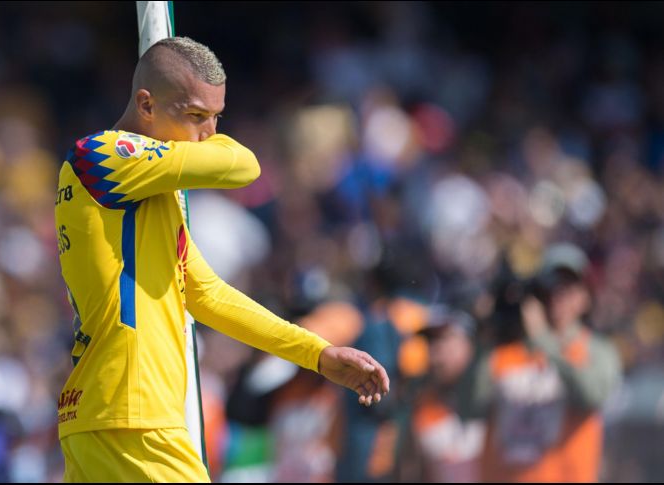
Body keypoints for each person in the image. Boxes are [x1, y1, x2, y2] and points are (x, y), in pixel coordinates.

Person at [53, 36, 390, 483]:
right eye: (195, 115)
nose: (209, 133)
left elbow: (208, 295)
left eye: (217, 117)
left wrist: (315, 353)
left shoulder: (150, 193)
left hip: (106, 414)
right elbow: (242, 165)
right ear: (146, 104)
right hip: (134, 416)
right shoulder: (102, 155)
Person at [474, 243, 621, 482]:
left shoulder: (596, 349)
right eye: (551, 287)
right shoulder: (507, 350)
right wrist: (485, 339)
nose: (558, 295)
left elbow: (593, 395)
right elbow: (468, 408)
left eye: (569, 287)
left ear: (586, 297)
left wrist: (543, 340)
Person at [397, 305, 485, 483]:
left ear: (468, 343)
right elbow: (409, 469)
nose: (435, 351)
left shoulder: (494, 393)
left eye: (443, 339)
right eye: (430, 342)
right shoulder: (420, 403)